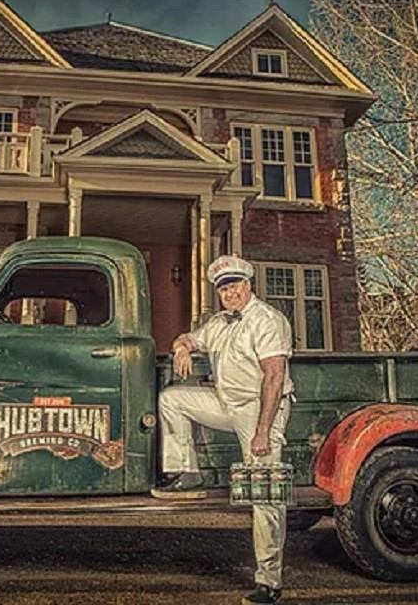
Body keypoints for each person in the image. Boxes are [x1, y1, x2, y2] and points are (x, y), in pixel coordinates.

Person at [152, 255, 293, 605]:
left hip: (261, 409)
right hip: (227, 403)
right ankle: (186, 472)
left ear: (248, 285)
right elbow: (188, 337)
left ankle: (269, 582)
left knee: (265, 492)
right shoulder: (218, 322)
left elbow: (274, 377)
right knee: (172, 399)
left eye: (234, 285)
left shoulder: (267, 320)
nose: (229, 293)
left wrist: (263, 430)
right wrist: (183, 346)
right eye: (223, 288)